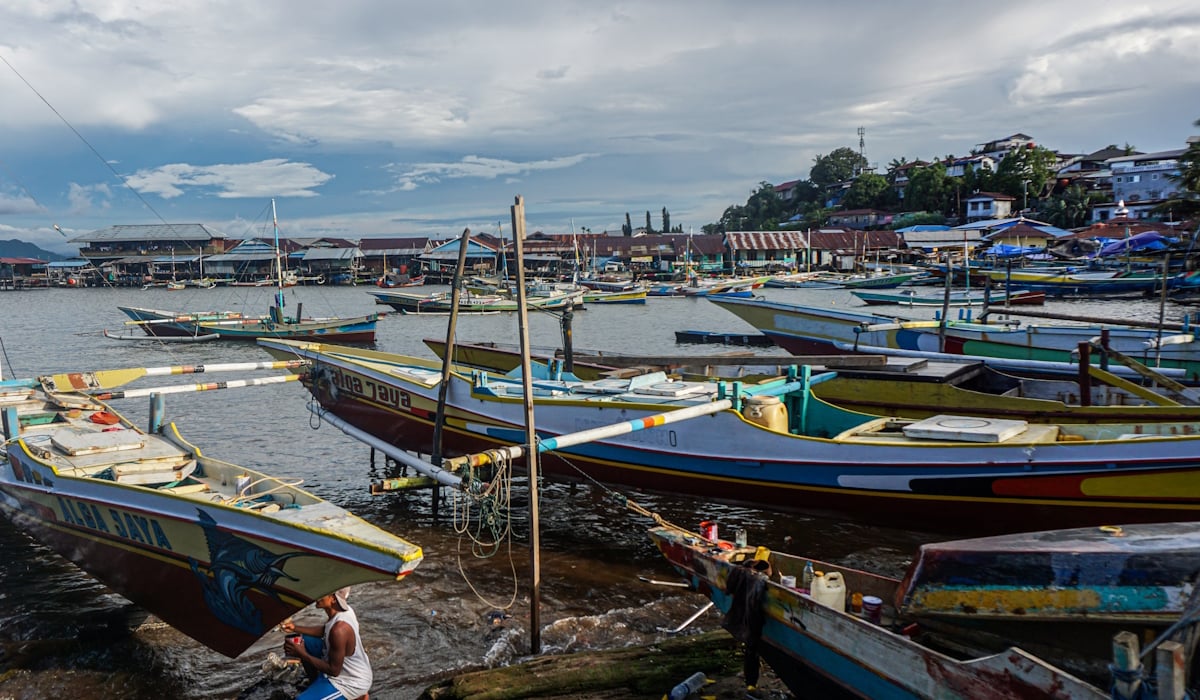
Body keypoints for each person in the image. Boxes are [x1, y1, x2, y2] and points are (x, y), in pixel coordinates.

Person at [281, 587, 372, 700]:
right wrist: (295, 628)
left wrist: (302, 653)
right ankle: (315, 685)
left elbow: (333, 670)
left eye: (324, 593)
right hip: (346, 669)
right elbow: (326, 630)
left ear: (333, 598)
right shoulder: (345, 611)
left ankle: (357, 696)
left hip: (349, 682)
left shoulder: (339, 630)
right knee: (305, 640)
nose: (317, 596)